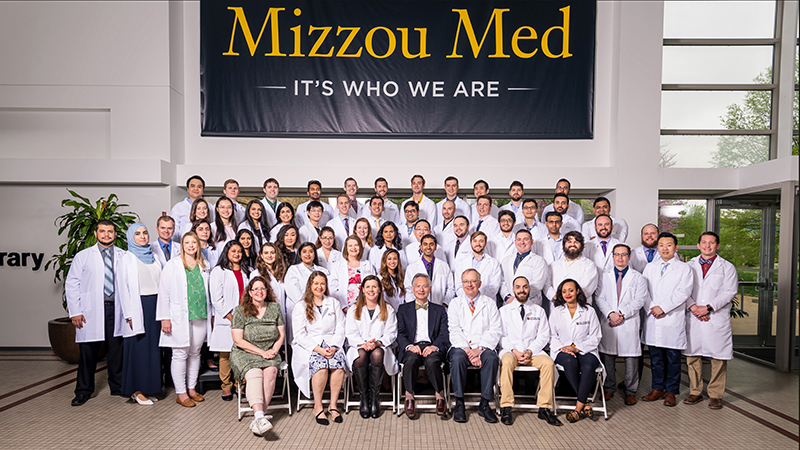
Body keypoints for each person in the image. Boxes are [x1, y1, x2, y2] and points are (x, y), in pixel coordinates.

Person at [67, 220, 130, 406]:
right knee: (88, 353)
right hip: (91, 311)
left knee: (116, 350)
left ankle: (117, 386)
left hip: (116, 309)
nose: (106, 235)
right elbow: (72, 283)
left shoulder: (124, 256)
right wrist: (75, 312)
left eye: (110, 231)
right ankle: (83, 391)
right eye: (102, 231)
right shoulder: (83, 256)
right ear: (95, 233)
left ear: (115, 234)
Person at [683, 231, 738, 410]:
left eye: (712, 243)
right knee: (692, 356)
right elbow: (683, 290)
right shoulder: (688, 266)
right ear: (698, 245)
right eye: (704, 242)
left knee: (718, 357)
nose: (708, 246)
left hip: (715, 316)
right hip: (694, 315)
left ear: (717, 246)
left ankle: (715, 395)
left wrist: (708, 308)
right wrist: (694, 307)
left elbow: (729, 292)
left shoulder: (727, 267)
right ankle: (695, 391)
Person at [156, 232, 211, 407]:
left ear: (198, 245)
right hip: (179, 316)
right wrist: (165, 318)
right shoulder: (172, 265)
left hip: (200, 314)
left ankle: (192, 389)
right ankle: (181, 393)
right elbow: (164, 293)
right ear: (182, 245)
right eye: (187, 242)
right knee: (180, 354)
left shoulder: (204, 264)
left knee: (195, 353)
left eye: (194, 242)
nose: (191, 245)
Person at [498, 276, 561, 426]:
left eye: (525, 287)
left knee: (548, 363)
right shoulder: (503, 311)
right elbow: (501, 335)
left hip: (532, 351)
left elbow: (543, 335)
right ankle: (507, 406)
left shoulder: (539, 311)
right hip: (511, 351)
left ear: (529, 289)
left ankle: (544, 407)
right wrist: (515, 351)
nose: (522, 290)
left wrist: (529, 351)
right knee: (506, 362)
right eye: (518, 287)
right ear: (513, 290)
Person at [641, 232, 693, 407]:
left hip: (671, 318)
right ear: (657, 248)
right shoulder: (650, 267)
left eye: (669, 245)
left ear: (676, 248)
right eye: (661, 245)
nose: (665, 248)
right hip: (653, 318)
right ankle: (657, 389)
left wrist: (663, 308)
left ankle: (671, 391)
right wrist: (652, 307)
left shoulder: (684, 269)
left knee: (673, 359)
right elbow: (643, 290)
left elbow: (683, 292)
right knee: (656, 359)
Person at [595, 244, 649, 406]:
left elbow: (639, 300)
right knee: (608, 358)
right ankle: (609, 388)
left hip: (628, 321)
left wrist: (621, 314)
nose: (620, 258)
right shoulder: (603, 276)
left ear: (629, 257)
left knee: (631, 359)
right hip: (609, 320)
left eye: (624, 254)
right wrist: (610, 314)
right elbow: (599, 297)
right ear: (612, 257)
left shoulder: (638, 278)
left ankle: (631, 391)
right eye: (617, 254)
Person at [231, 276, 285, 436]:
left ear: (267, 291)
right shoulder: (240, 310)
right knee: (254, 372)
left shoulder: (274, 308)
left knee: (271, 372)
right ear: (250, 292)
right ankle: (260, 417)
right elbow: (238, 340)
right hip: (246, 352)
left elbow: (281, 334)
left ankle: (259, 418)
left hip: (270, 350)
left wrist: (274, 350)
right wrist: (261, 353)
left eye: (262, 288)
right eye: (256, 289)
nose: (259, 292)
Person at [291, 271, 346, 425]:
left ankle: (333, 406)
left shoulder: (333, 303)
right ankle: (318, 407)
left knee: (338, 365)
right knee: (321, 367)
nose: (319, 287)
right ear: (310, 285)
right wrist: (318, 349)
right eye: (316, 283)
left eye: (322, 283)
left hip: (331, 343)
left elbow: (340, 328)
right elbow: (299, 334)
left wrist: (334, 347)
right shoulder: (300, 306)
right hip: (310, 346)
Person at [448, 269, 501, 423]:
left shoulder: (490, 303)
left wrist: (480, 349)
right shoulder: (455, 303)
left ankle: (484, 404)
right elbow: (454, 329)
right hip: (461, 345)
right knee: (457, 359)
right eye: (466, 281)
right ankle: (459, 403)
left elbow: (495, 329)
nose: (469, 284)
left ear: (480, 283)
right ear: (462, 284)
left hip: (483, 346)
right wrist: (468, 351)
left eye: (473, 281)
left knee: (491, 359)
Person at [120, 223, 162, 406]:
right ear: (131, 237)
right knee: (138, 349)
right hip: (139, 307)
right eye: (137, 234)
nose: (143, 236)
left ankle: (148, 388)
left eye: (145, 233)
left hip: (156, 305)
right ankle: (135, 390)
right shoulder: (126, 259)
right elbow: (123, 289)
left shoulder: (154, 256)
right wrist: (129, 315)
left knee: (152, 350)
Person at [397, 274, 449, 419]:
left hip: (432, 346)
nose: (421, 289)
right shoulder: (403, 309)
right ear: (413, 288)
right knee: (410, 360)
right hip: (412, 347)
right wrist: (409, 346)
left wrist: (434, 347)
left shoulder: (439, 310)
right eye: (418, 286)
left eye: (425, 286)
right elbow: (400, 333)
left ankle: (440, 395)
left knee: (432, 361)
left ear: (430, 289)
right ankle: (409, 396)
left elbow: (444, 334)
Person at [345, 275, 399, 418]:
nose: (371, 290)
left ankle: (375, 398)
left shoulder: (388, 309)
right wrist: (363, 344)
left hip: (380, 346)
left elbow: (391, 333)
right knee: (361, 355)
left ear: (380, 289)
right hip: (358, 346)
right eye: (368, 287)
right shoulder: (353, 309)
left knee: (377, 354)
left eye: (374, 287)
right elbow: (350, 333)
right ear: (362, 289)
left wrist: (377, 343)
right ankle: (364, 398)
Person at [549, 279, 602, 423]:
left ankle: (578, 409)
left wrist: (577, 348)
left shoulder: (589, 311)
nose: (568, 294)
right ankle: (585, 403)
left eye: (571, 290)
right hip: (563, 350)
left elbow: (596, 336)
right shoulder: (557, 312)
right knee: (569, 361)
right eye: (564, 291)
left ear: (578, 291)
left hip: (586, 349)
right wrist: (564, 348)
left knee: (588, 365)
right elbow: (551, 335)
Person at [209, 241, 251, 401]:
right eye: (233, 251)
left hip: (246, 317)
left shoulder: (247, 271)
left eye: (239, 251)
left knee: (244, 353)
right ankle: (226, 387)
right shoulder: (218, 271)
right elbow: (216, 298)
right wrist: (231, 317)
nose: (237, 254)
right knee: (226, 354)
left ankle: (241, 385)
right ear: (227, 252)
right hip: (227, 318)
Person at [545, 231, 599, 304]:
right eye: (569, 242)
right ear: (564, 245)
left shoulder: (589, 265)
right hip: (557, 306)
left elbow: (587, 289)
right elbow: (547, 285)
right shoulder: (553, 265)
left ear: (582, 245)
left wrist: (567, 300)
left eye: (576, 242)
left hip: (580, 306)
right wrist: (556, 297)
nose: (572, 244)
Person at [500, 230, 549, 307]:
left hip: (530, 303)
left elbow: (537, 285)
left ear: (532, 242)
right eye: (519, 239)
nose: (522, 242)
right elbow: (502, 281)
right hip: (509, 303)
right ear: (515, 242)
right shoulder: (506, 260)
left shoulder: (539, 261)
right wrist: (506, 296)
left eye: (526, 239)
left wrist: (518, 298)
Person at [404, 234, 455, 306]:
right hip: (418, 308)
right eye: (425, 244)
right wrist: (414, 305)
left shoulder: (444, 266)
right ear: (421, 247)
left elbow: (451, 288)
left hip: (439, 306)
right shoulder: (411, 267)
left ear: (435, 247)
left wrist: (445, 304)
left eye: (431, 244)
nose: (428, 247)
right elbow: (407, 289)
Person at [452, 231, 502, 300]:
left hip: (486, 302)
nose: (478, 244)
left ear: (485, 243)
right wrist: (469, 299)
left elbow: (493, 288)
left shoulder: (494, 263)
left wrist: (479, 300)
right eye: (475, 241)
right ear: (470, 243)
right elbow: (459, 286)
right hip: (465, 302)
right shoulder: (461, 263)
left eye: (481, 241)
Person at [333, 236, 376, 311]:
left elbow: (374, 285)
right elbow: (333, 288)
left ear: (360, 247)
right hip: (344, 308)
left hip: (365, 307)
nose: (353, 248)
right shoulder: (338, 265)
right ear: (346, 248)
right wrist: (343, 307)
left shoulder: (367, 264)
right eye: (350, 245)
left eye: (356, 245)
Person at [170, 175, 208, 242]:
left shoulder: (209, 207)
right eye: (193, 186)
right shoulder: (178, 208)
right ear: (187, 189)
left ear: (203, 190)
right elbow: (174, 231)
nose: (196, 189)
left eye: (199, 187)